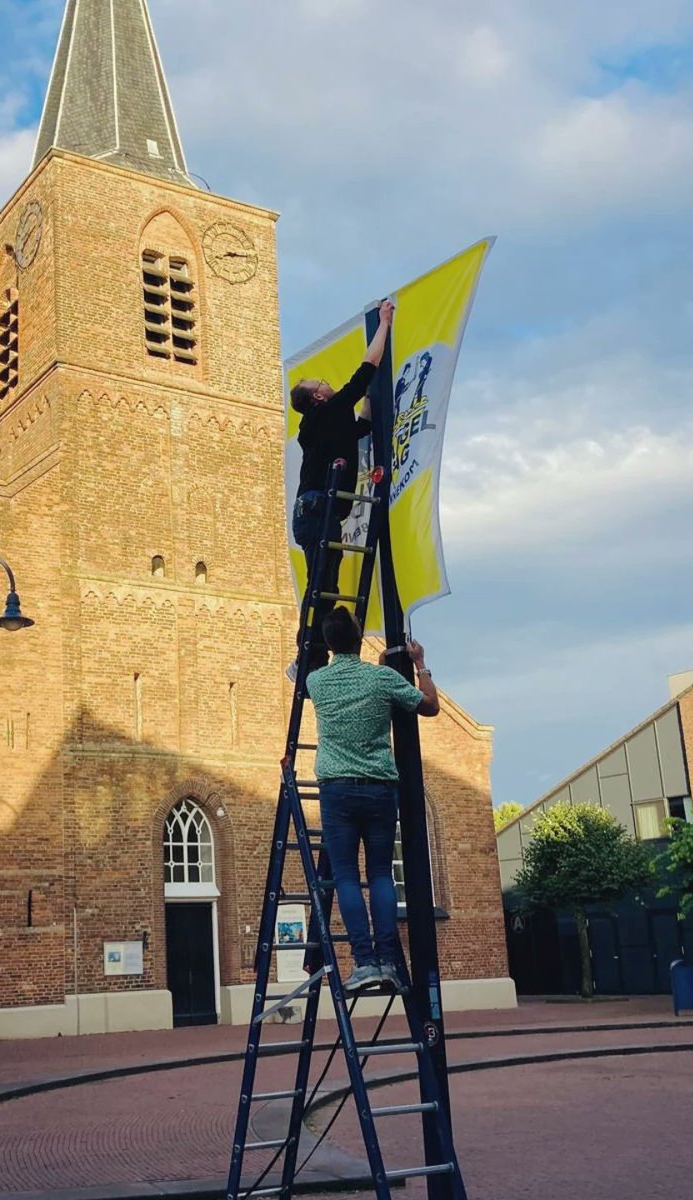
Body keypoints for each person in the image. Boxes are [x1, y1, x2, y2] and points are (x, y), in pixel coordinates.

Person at [305, 607, 440, 992]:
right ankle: (387, 960)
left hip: (337, 790)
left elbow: (299, 670)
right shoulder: (381, 679)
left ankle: (364, 962)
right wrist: (420, 665)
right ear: (358, 638)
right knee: (381, 874)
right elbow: (429, 706)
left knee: (346, 876)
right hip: (381, 787)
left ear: (330, 644)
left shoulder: (318, 682)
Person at [288, 299, 395, 680]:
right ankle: (306, 656)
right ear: (317, 397)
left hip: (316, 511)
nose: (326, 383)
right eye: (320, 383)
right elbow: (364, 372)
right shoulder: (323, 413)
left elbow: (361, 426)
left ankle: (312, 658)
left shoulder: (328, 422)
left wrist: (373, 396)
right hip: (317, 509)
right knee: (321, 587)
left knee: (327, 588)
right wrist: (383, 324)